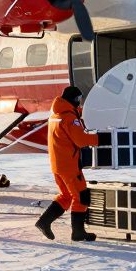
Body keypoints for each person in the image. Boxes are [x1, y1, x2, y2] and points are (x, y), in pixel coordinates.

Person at [36, 86, 100, 242]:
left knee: (66, 196)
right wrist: (99, 139)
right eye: (78, 100)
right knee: (82, 197)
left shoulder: (56, 115)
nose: (79, 103)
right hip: (69, 166)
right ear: (74, 99)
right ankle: (78, 232)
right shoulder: (69, 117)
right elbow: (81, 140)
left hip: (57, 164)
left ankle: (44, 222)